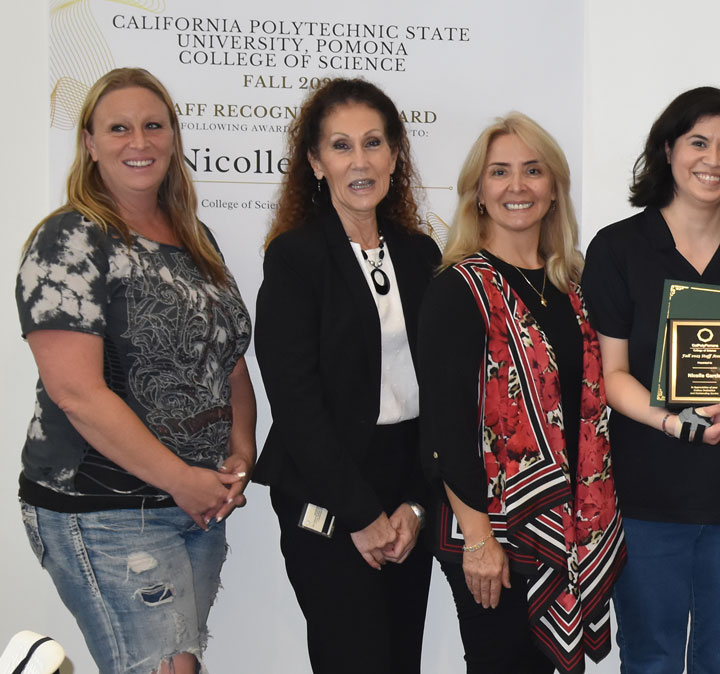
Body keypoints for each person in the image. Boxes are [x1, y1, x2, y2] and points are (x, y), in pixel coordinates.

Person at [15, 67, 254, 674]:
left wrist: (240, 451)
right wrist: (180, 476)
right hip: (103, 504)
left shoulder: (195, 239)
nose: (139, 141)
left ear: (174, 138)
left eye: (153, 125)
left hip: (194, 502)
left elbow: (227, 361)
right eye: (118, 128)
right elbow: (76, 393)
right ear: (90, 144)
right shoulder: (70, 240)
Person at [582, 87, 720, 674]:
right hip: (647, 495)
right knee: (651, 658)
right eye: (699, 142)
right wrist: (676, 423)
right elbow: (612, 376)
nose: (713, 159)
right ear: (668, 149)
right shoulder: (618, 248)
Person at [418, 113, 625, 674]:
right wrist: (482, 540)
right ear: (478, 193)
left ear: (554, 189)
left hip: (567, 522)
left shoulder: (572, 284)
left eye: (533, 171)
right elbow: (444, 427)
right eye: (499, 173)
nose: (517, 187)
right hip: (493, 530)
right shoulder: (457, 287)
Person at [253, 78, 441, 674]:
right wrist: (361, 515)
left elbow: (440, 389)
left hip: (405, 482)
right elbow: (295, 401)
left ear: (394, 155)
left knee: (400, 661)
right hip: (326, 490)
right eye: (340, 146)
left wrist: (414, 502)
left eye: (373, 143)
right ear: (314, 162)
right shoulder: (294, 259)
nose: (360, 161)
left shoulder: (420, 254)